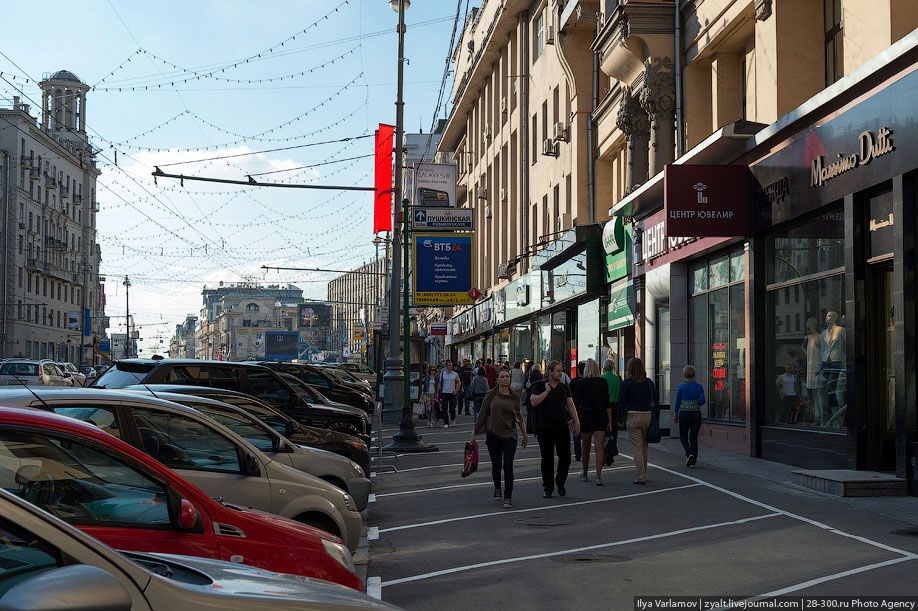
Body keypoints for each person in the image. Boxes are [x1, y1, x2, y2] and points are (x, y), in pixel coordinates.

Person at [471, 369, 527, 509]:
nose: (505, 379)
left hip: (510, 435)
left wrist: (525, 435)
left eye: (507, 376)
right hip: (493, 434)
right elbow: (483, 413)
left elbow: (519, 417)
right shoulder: (491, 395)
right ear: (497, 379)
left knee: (508, 466)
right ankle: (497, 487)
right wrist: (474, 432)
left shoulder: (514, 397)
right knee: (496, 465)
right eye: (502, 377)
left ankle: (508, 497)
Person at [529, 360, 581, 498]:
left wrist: (576, 421)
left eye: (561, 371)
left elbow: (571, 405)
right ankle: (548, 487)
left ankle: (560, 482)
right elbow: (533, 401)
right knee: (547, 459)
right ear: (550, 371)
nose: (560, 373)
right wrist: (546, 392)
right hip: (544, 428)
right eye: (558, 371)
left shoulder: (564, 388)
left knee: (566, 457)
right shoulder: (539, 385)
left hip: (561, 427)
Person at [617, 357, 657, 485]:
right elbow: (655, 402)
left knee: (637, 447)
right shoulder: (649, 383)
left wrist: (619, 419)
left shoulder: (627, 383)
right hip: (648, 415)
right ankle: (643, 472)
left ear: (629, 369)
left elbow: (622, 402)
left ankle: (641, 476)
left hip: (633, 416)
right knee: (644, 446)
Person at [577, 359, 612, 485]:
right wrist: (610, 421)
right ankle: (598, 477)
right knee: (599, 446)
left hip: (586, 415)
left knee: (585, 446)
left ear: (585, 369)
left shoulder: (581, 383)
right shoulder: (603, 382)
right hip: (600, 415)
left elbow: (578, 403)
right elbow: (607, 403)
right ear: (597, 369)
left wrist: (576, 420)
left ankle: (585, 473)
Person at [673, 365, 705, 467]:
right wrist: (696, 403)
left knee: (683, 436)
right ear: (694, 374)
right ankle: (693, 461)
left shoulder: (680, 387)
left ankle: (688, 453)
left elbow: (677, 402)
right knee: (694, 438)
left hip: (684, 414)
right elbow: (702, 401)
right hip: (696, 414)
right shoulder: (699, 387)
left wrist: (675, 415)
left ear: (684, 374)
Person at [601, 359, 622, 464]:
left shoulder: (602, 378)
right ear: (613, 368)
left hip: (604, 408)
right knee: (614, 431)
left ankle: (604, 456)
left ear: (604, 368)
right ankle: (611, 454)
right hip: (616, 407)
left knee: (603, 433)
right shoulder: (618, 378)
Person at [437, 360, 462, 428]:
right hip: (444, 392)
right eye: (449, 365)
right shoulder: (443, 374)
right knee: (444, 408)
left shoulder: (455, 374)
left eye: (451, 365)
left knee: (452, 408)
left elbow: (458, 382)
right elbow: (440, 383)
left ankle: (453, 417)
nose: (450, 366)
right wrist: (438, 392)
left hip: (452, 393)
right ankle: (446, 423)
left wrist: (456, 390)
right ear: (446, 366)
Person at [569, 361, 586, 463]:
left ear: (579, 371)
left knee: (576, 433)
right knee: (586, 433)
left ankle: (578, 454)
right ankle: (584, 452)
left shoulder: (573, 382)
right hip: (585, 410)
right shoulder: (587, 382)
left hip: (575, 409)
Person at [524, 364, 542, 435]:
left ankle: (529, 428)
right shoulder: (541, 376)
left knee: (529, 412)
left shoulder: (529, 375)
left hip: (529, 395)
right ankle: (536, 427)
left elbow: (525, 384)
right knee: (537, 412)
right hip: (538, 395)